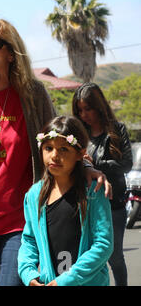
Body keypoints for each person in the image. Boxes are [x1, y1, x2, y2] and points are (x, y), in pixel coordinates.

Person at [0, 16, 111, 286]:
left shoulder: (32, 95)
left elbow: (60, 141)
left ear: (10, 53)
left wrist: (86, 167)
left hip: (21, 224)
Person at [18, 116, 114, 286]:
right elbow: (29, 240)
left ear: (80, 154)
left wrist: (68, 279)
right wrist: (28, 273)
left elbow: (103, 244)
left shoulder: (93, 191)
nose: (54, 156)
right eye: (48, 148)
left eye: (63, 149)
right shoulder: (34, 195)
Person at [72, 83, 133, 286]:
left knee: (114, 257)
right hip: (85, 203)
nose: (83, 114)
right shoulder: (79, 134)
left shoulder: (117, 130)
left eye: (87, 109)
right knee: (88, 257)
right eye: (80, 110)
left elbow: (126, 164)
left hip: (113, 203)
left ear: (98, 106)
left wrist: (96, 164)